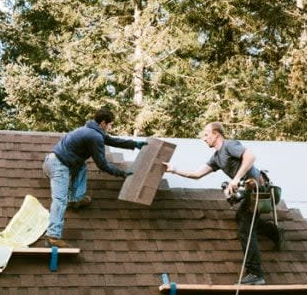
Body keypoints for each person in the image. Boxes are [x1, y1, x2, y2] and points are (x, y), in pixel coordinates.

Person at [163, 121, 283, 285]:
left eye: (206, 135)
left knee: (245, 230)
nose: (203, 139)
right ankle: (273, 232)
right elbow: (196, 174)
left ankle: (256, 274)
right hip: (249, 192)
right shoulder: (216, 158)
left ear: (216, 134)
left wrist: (236, 179)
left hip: (258, 189)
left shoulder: (229, 145)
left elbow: (250, 157)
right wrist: (174, 169)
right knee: (242, 218)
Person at [42, 107, 147, 248]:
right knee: (60, 200)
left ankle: (75, 199)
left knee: (82, 166)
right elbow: (102, 165)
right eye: (110, 124)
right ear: (103, 123)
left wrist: (134, 144)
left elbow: (112, 140)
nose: (110, 127)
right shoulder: (94, 136)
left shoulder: (89, 130)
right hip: (58, 166)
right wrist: (120, 173)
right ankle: (53, 236)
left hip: (54, 161)